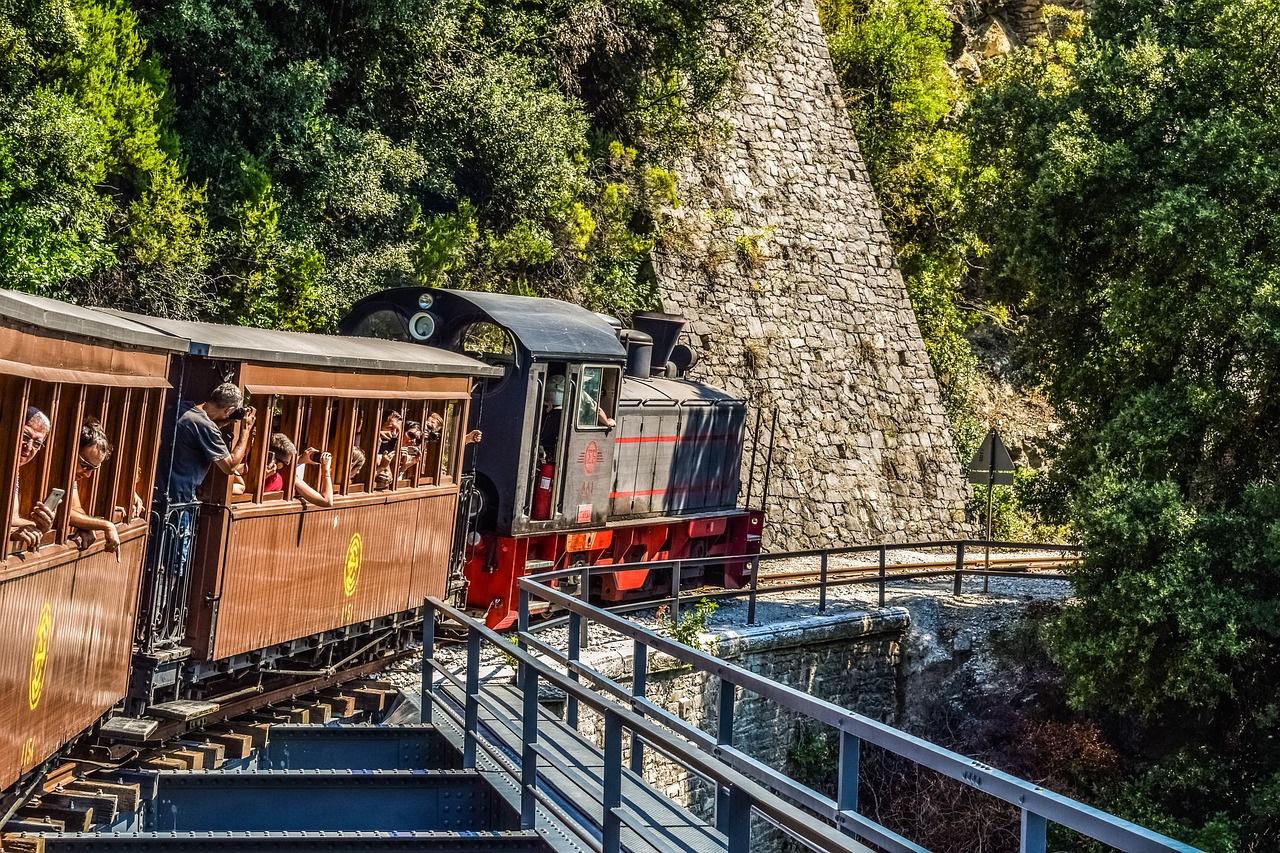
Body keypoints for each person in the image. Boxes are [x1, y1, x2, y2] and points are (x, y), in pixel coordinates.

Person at [169, 383, 257, 503]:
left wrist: (219, 424)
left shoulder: (183, 409)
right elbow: (230, 467)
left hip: (160, 491)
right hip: (180, 498)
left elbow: (197, 435)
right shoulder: (205, 426)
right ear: (229, 410)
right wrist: (246, 430)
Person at [67, 419, 122, 557]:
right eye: (85, 465)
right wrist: (106, 525)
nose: (88, 474)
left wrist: (86, 524)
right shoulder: (61, 471)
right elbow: (63, 514)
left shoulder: (72, 477)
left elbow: (74, 509)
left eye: (94, 469)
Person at [10, 406, 55, 551]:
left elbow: (11, 518)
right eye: (25, 436)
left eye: (36, 443)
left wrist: (41, 526)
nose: (28, 447)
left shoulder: (13, 470)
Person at [267, 433, 333, 507]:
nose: (288, 465)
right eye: (287, 463)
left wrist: (299, 460)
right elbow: (327, 501)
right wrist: (326, 471)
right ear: (278, 463)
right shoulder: (280, 477)